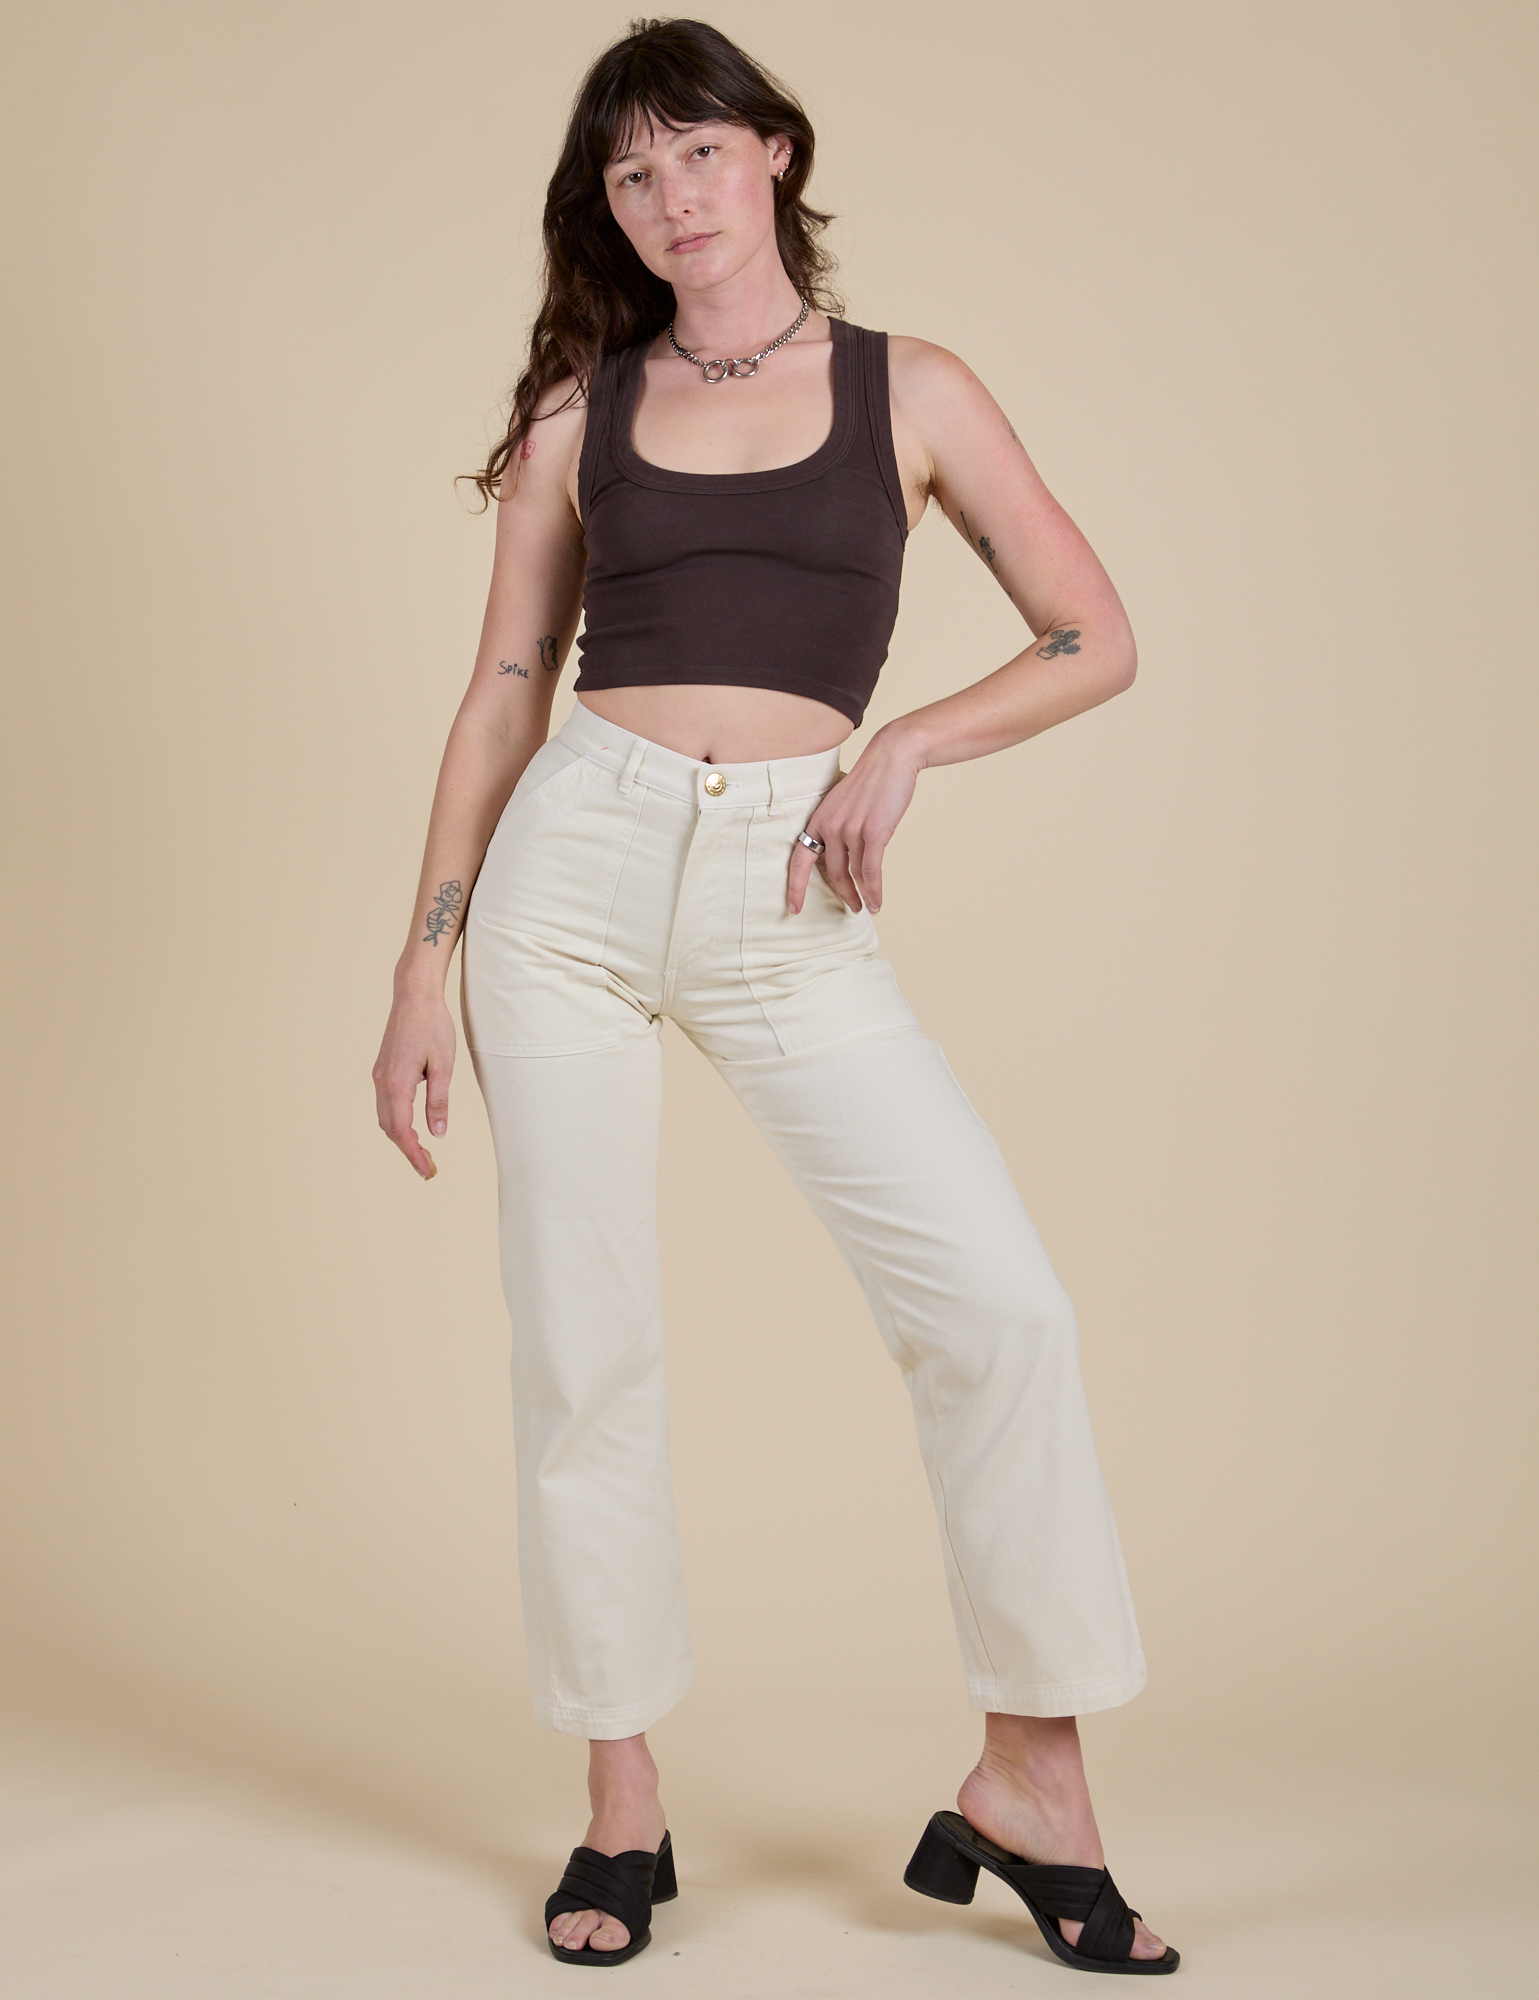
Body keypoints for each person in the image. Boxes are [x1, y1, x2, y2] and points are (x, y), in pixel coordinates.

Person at [372, 16, 1177, 1978]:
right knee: (585, 1342)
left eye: (699, 152)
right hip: (571, 877)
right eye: (631, 171)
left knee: (996, 1307)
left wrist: (906, 742)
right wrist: (423, 956)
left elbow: (1092, 635)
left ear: (775, 153)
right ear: (609, 206)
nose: (672, 196)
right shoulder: (580, 408)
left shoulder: (914, 388)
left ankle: (1031, 1778)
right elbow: (505, 685)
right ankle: (621, 1805)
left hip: (787, 888)